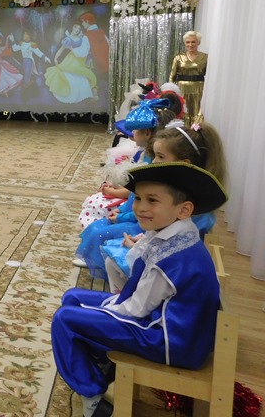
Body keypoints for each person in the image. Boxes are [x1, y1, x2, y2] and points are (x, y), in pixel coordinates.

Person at [51, 162, 228, 417]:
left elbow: (135, 309)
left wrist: (102, 309)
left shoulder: (173, 256)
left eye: (152, 200)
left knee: (65, 319)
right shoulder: (175, 234)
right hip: (170, 327)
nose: (140, 208)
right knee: (73, 298)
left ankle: (93, 397)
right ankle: (101, 364)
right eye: (138, 198)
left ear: (184, 209)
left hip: (168, 340)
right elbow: (139, 282)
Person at [102, 121, 227, 292]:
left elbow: (170, 249)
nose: (153, 161)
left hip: (169, 271)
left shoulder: (188, 209)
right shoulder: (174, 192)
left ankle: (124, 294)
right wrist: (142, 241)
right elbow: (160, 234)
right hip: (157, 250)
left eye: (160, 156)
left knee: (112, 254)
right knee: (112, 255)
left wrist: (138, 247)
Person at [73, 98, 177, 274]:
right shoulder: (147, 159)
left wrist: (121, 216)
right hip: (130, 213)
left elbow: (143, 204)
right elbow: (134, 196)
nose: (131, 134)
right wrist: (121, 211)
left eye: (135, 131)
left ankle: (98, 261)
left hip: (139, 224)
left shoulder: (156, 175)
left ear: (147, 133)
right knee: (97, 226)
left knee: (99, 231)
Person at [45, 23, 98, 104]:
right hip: (71, 59)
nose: (77, 29)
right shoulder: (68, 39)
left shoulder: (81, 38)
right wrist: (55, 58)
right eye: (75, 27)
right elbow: (61, 49)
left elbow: (84, 49)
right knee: (72, 75)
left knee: (83, 75)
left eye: (79, 28)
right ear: (72, 27)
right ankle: (72, 95)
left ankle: (87, 95)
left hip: (81, 60)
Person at [169, 30, 208, 126]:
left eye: (193, 42)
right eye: (188, 42)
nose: (190, 45)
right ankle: (182, 131)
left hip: (198, 89)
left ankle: (196, 131)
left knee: (197, 111)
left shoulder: (205, 57)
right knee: (183, 111)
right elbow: (172, 76)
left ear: (198, 42)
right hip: (182, 89)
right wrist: (170, 92)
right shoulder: (178, 58)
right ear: (185, 43)